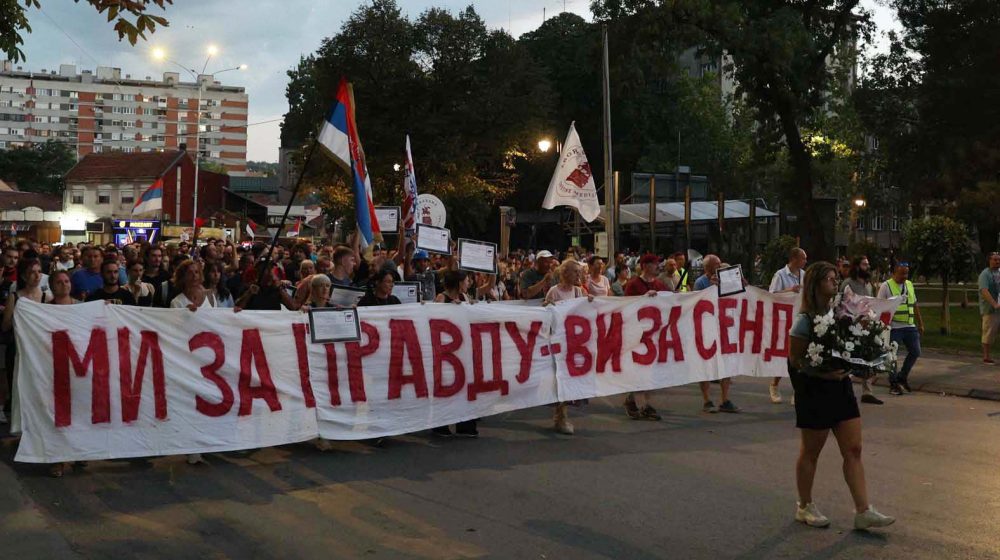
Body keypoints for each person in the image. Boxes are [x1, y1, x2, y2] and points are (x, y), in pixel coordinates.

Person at [788, 261, 895, 530]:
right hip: (814, 391)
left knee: (854, 449)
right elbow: (795, 360)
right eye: (829, 279)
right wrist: (822, 374)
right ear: (815, 285)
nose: (835, 283)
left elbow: (850, 346)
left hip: (841, 388)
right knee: (811, 452)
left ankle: (863, 511)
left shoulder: (841, 314)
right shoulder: (804, 320)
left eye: (836, 278)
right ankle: (804, 505)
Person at [543, 259, 595, 435]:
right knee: (559, 379)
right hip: (558, 341)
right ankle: (560, 416)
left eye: (579, 272)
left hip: (573, 342)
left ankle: (561, 416)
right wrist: (548, 307)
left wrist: (589, 302)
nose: (578, 275)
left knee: (568, 378)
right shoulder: (554, 291)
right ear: (565, 273)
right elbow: (546, 314)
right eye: (575, 272)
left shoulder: (579, 291)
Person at [622, 254, 669, 420]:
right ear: (645, 266)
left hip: (654, 334)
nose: (657, 266)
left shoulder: (660, 285)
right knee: (641, 370)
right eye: (654, 263)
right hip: (637, 334)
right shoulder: (633, 284)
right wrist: (643, 299)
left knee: (651, 372)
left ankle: (633, 400)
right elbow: (626, 307)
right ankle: (643, 405)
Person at [432, 270, 479, 438]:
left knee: (464, 387)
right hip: (445, 351)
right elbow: (434, 320)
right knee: (445, 386)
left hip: (462, 350)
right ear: (459, 283)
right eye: (467, 281)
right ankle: (440, 425)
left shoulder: (465, 298)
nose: (469, 284)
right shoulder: (441, 298)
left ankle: (464, 425)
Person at [0, 257, 46, 425]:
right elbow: (5, 326)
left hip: (40, 351)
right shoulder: (15, 297)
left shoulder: (46, 297)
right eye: (32, 272)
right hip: (18, 349)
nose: (36, 276)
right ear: (24, 276)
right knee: (19, 386)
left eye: (38, 272)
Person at [693, 254, 740, 413]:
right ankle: (707, 400)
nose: (720, 266)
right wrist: (711, 288)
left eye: (720, 264)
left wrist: (742, 285)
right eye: (717, 264)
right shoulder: (701, 282)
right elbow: (696, 302)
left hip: (725, 326)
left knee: (726, 364)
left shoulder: (726, 278)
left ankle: (724, 399)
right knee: (706, 365)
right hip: (707, 327)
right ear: (708, 268)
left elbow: (737, 296)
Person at [767, 247, 808, 404]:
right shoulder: (780, 275)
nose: (805, 261)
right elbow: (771, 294)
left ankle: (797, 390)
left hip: (800, 318)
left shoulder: (804, 275)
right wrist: (789, 290)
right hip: (784, 320)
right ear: (794, 259)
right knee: (785, 355)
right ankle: (774, 384)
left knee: (799, 355)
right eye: (803, 258)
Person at [839, 256, 882, 405]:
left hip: (866, 326)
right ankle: (844, 391)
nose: (867, 267)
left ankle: (867, 392)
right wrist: (855, 320)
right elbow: (844, 306)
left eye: (868, 264)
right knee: (849, 359)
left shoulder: (868, 285)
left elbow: (870, 303)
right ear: (857, 266)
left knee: (869, 357)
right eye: (864, 264)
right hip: (851, 326)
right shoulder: (848, 284)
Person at [877, 261, 924, 395]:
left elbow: (914, 304)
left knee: (915, 351)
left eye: (907, 273)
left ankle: (902, 377)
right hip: (894, 327)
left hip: (910, 325)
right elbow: (880, 305)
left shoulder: (909, 284)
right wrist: (882, 326)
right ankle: (893, 383)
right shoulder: (886, 286)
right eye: (902, 273)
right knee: (892, 356)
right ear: (894, 273)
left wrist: (920, 323)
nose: (905, 276)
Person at [977, 252, 1000, 364]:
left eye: (998, 260)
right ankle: (986, 356)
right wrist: (994, 303)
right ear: (989, 261)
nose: (997, 262)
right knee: (989, 331)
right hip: (990, 309)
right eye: (995, 260)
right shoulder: (985, 274)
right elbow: (984, 291)